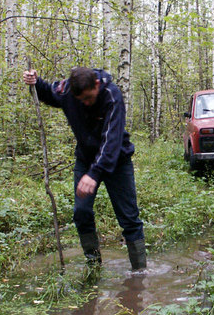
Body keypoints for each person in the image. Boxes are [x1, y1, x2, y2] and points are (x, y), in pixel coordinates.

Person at [23, 66, 146, 271]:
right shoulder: (67, 90)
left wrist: (95, 174)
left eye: (88, 98)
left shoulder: (111, 95)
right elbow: (48, 92)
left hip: (117, 161)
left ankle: (140, 273)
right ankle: (93, 265)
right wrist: (35, 82)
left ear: (96, 85)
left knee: (129, 218)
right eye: (81, 100)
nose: (86, 103)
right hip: (85, 159)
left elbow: (111, 141)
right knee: (81, 212)